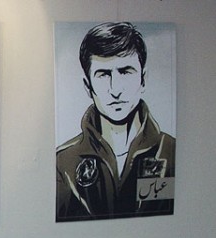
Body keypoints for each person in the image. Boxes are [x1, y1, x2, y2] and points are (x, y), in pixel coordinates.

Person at [56, 22, 175, 222]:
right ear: (87, 86)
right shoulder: (64, 163)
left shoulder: (169, 151)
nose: (115, 89)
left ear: (143, 80)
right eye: (103, 75)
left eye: (126, 71)